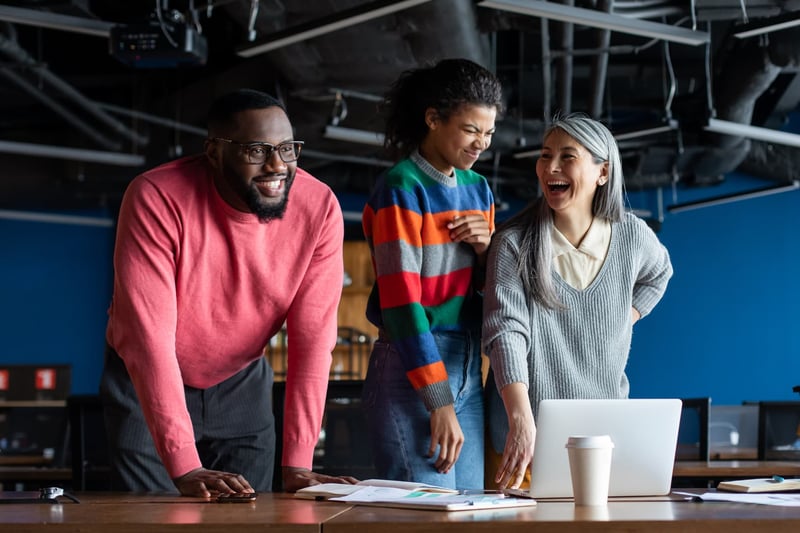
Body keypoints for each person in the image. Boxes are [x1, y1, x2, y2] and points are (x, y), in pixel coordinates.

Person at [100, 88, 357, 497]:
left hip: (242, 380)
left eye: (288, 149)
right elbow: (149, 340)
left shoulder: (320, 207)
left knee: (250, 518)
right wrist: (183, 465)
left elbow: (313, 342)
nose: (277, 166)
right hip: (144, 378)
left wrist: (299, 464)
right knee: (151, 520)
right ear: (214, 152)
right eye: (257, 150)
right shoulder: (157, 196)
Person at [482, 113, 673, 489]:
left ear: (603, 172)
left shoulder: (632, 236)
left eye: (568, 156)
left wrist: (626, 316)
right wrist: (521, 419)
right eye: (545, 154)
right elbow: (506, 333)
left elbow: (660, 273)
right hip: (525, 439)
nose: (550, 167)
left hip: (602, 438)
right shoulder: (513, 243)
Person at [361, 58, 503, 489]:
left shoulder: (478, 189)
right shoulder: (402, 187)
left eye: (489, 132)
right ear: (433, 119)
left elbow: (491, 291)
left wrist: (487, 250)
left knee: (474, 512)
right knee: (428, 515)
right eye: (470, 129)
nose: (482, 143)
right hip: (410, 368)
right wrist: (438, 401)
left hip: (466, 364)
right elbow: (402, 304)